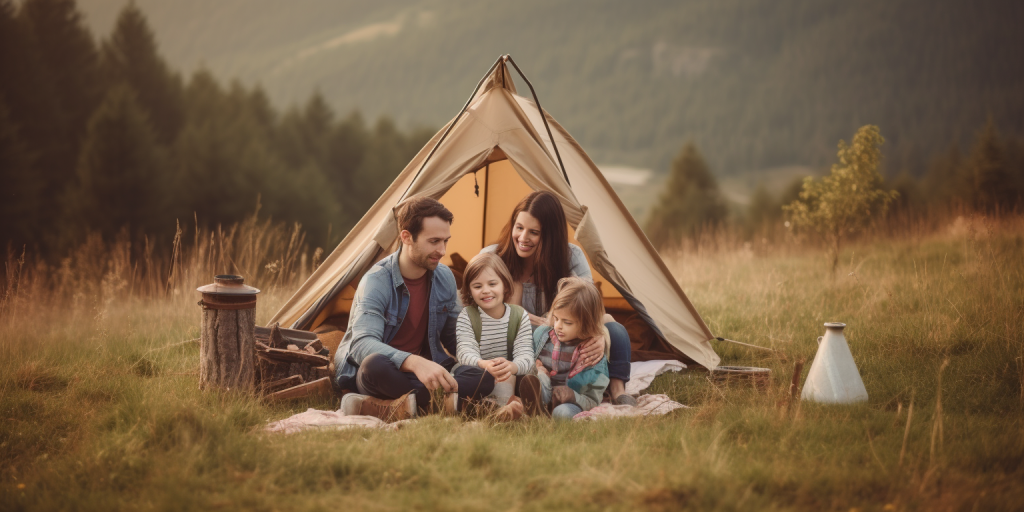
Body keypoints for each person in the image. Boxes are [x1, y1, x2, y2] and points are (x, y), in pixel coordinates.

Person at [336, 197, 494, 421]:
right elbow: (362, 344)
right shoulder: (376, 281)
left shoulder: (444, 277)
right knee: (374, 366)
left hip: (427, 372)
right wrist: (415, 362)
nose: (442, 251)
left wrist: (481, 359)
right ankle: (446, 403)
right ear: (406, 237)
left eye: (445, 241)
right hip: (387, 372)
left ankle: (397, 406)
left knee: (484, 377)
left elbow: (454, 335)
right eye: (434, 241)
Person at [481, 190, 636, 406]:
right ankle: (535, 390)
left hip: (565, 335)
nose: (523, 238)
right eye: (519, 227)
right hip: (523, 339)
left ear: (550, 235)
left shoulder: (570, 257)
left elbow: (590, 305)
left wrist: (598, 334)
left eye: (533, 232)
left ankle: (618, 392)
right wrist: (539, 322)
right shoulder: (494, 257)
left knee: (615, 331)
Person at [454, 252, 534, 419]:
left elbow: (525, 354)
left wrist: (512, 367)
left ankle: (504, 409)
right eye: (477, 286)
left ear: (504, 285)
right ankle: (490, 409)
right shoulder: (467, 316)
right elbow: (464, 352)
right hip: (478, 374)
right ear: (469, 290)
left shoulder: (519, 316)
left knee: (524, 375)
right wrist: (485, 365)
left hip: (507, 373)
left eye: (492, 284)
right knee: (463, 373)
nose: (486, 291)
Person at [528, 277, 610, 419]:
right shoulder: (542, 335)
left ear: (587, 323)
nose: (558, 325)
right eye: (556, 318)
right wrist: (536, 367)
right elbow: (527, 359)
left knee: (562, 414)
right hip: (544, 389)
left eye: (567, 322)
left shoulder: (592, 354)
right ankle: (537, 408)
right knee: (538, 379)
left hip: (569, 402)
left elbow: (592, 400)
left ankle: (542, 413)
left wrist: (573, 396)